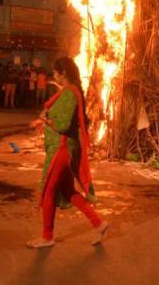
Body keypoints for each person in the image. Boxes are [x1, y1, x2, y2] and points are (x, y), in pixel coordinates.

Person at [27, 57, 107, 248]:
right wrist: (43, 121)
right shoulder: (70, 92)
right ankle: (99, 223)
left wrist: (45, 120)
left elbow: (62, 125)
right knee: (67, 191)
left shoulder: (69, 94)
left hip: (61, 149)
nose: (53, 75)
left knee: (48, 190)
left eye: (55, 71)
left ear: (63, 73)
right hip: (63, 148)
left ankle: (47, 237)